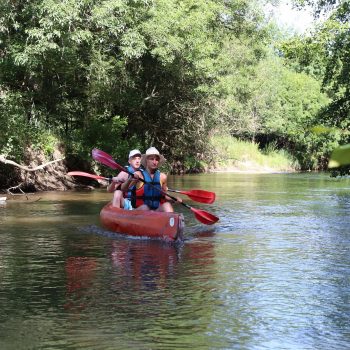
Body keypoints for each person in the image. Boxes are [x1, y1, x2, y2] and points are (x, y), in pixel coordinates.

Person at [129, 147, 181, 212]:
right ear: (146, 160)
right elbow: (124, 189)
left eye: (156, 160)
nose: (154, 162)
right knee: (145, 208)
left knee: (167, 205)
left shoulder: (163, 177)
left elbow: (164, 196)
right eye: (151, 159)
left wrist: (174, 199)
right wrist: (130, 179)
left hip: (155, 212)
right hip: (140, 211)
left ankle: (171, 221)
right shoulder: (138, 174)